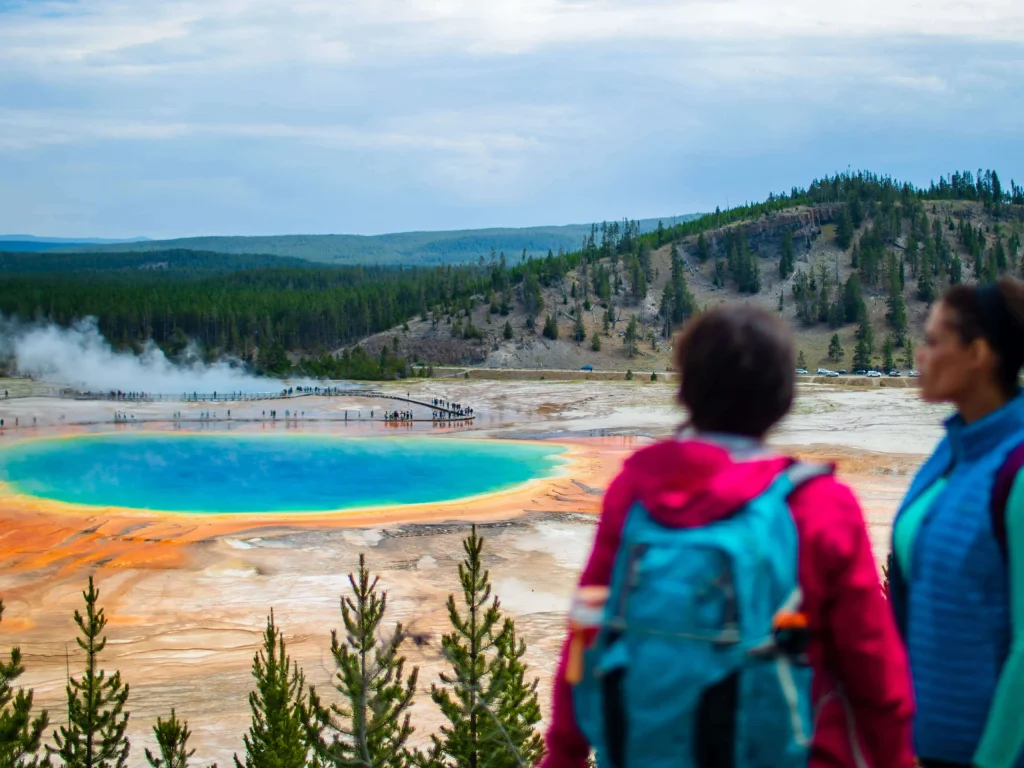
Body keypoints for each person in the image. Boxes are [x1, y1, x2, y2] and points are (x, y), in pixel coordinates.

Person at [542, 304, 914, 768]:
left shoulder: (636, 489)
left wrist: (565, 754)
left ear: (685, 390)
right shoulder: (818, 503)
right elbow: (873, 666)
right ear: (783, 400)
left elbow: (587, 629)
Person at [889, 277, 1024, 768]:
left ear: (979, 354)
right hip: (920, 747)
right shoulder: (949, 453)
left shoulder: (1017, 466)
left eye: (931, 342)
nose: (919, 357)